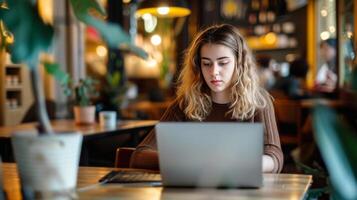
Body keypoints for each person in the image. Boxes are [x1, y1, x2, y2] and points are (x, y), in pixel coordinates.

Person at [129, 24, 283, 173]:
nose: (214, 71)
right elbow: (139, 156)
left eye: (223, 63)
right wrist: (187, 162)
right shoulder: (186, 103)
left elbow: (274, 158)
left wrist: (240, 163)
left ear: (239, 63)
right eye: (207, 64)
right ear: (198, 66)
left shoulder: (258, 102)